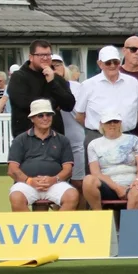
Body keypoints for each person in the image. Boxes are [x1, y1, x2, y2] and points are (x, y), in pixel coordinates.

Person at [74, 46, 138, 160]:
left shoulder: (133, 83)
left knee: (126, 175)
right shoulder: (88, 85)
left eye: (116, 62)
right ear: (100, 64)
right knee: (95, 177)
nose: (112, 65)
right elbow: (79, 116)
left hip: (127, 136)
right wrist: (101, 130)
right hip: (96, 137)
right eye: (108, 62)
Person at [6, 99, 78, 211]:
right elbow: (12, 169)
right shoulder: (20, 140)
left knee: (72, 196)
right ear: (32, 118)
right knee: (16, 197)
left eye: (49, 115)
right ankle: (32, 228)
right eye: (40, 115)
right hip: (27, 183)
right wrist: (30, 181)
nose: (45, 118)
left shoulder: (62, 140)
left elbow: (68, 169)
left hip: (55, 183)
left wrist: (53, 180)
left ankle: (55, 227)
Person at [7, 40, 76, 135]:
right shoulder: (19, 77)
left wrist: (52, 83)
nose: (45, 58)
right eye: (41, 55)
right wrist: (54, 103)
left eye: (48, 55)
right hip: (27, 137)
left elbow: (69, 105)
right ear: (31, 57)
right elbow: (23, 103)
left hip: (54, 136)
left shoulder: (56, 78)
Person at [83, 110, 138, 210]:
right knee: (88, 180)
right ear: (101, 124)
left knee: (137, 190)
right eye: (108, 122)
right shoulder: (93, 144)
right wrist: (117, 188)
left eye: (115, 121)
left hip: (131, 182)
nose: (112, 124)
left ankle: (129, 225)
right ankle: (99, 218)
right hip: (107, 184)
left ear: (120, 123)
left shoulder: (134, 140)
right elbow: (95, 172)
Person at [50, 56, 86, 207]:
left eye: (57, 65)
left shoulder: (76, 87)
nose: (54, 69)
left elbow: (80, 114)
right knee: (57, 186)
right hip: (53, 145)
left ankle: (84, 219)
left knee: (79, 182)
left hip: (77, 141)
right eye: (50, 66)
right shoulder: (42, 89)